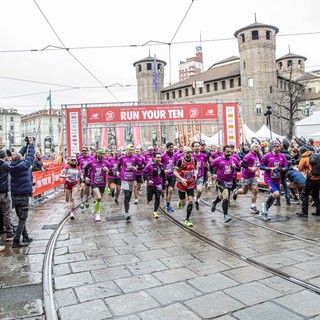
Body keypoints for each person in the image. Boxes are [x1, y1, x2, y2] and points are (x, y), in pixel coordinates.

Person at [9, 137, 35, 248]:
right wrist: (31, 144)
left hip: (15, 196)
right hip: (23, 196)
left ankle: (25, 236)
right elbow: (30, 156)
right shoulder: (24, 165)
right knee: (23, 219)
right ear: (21, 159)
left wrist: (25, 145)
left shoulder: (11, 165)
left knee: (21, 217)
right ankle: (16, 241)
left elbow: (19, 155)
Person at [210, 145, 241, 223]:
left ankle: (214, 202)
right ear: (223, 151)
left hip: (229, 181)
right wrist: (212, 174)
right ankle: (225, 216)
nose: (229, 153)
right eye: (227, 152)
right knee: (226, 196)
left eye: (230, 151)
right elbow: (211, 166)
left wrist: (235, 167)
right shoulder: (218, 159)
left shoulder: (234, 159)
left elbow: (239, 169)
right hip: (220, 180)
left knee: (221, 197)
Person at [260, 140, 289, 221]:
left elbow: (286, 167)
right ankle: (265, 206)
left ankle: (264, 209)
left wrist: (280, 169)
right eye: (277, 146)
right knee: (276, 194)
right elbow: (261, 166)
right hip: (268, 178)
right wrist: (271, 168)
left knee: (276, 195)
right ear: (273, 147)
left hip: (277, 178)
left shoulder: (282, 156)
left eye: (279, 146)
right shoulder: (267, 156)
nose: (279, 148)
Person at [232, 143, 261, 214]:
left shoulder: (257, 155)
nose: (257, 148)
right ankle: (236, 192)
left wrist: (258, 166)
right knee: (244, 191)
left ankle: (253, 206)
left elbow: (256, 163)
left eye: (258, 147)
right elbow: (242, 164)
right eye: (255, 147)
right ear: (252, 148)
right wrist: (250, 168)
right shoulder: (249, 155)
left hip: (253, 176)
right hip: (246, 176)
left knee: (255, 190)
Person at [174, 146, 198, 228]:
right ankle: (180, 201)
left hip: (190, 183)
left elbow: (196, 168)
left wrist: (195, 173)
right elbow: (175, 172)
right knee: (183, 203)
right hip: (182, 183)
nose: (190, 154)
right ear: (184, 153)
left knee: (191, 201)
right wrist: (181, 179)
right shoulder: (180, 161)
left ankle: (187, 219)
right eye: (188, 153)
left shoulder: (194, 160)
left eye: (191, 152)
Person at [84, 149, 110, 222]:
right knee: (98, 197)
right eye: (100, 154)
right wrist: (86, 176)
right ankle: (98, 214)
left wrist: (108, 170)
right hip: (94, 182)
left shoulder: (106, 162)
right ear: (97, 154)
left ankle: (95, 211)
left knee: (99, 199)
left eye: (103, 154)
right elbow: (85, 168)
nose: (101, 155)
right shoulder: (92, 162)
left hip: (102, 183)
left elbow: (111, 173)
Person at [118, 144, 140, 221]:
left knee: (129, 196)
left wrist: (136, 168)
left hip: (132, 179)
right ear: (126, 150)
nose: (131, 151)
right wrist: (118, 171)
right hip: (124, 179)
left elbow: (141, 166)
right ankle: (127, 213)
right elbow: (118, 165)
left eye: (132, 150)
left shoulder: (135, 158)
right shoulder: (122, 158)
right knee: (126, 195)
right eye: (129, 150)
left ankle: (127, 206)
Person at [296, 148, 320, 217]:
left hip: (311, 178)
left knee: (305, 194)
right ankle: (319, 211)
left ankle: (304, 212)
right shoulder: (314, 155)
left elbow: (300, 168)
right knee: (315, 195)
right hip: (319, 178)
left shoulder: (304, 158)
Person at [143, 153, 167, 218]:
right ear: (154, 158)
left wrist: (165, 181)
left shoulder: (161, 165)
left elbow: (163, 174)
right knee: (149, 199)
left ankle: (155, 211)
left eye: (160, 157)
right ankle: (148, 199)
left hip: (159, 184)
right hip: (150, 185)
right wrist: (148, 180)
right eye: (157, 157)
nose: (159, 159)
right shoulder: (149, 165)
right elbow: (144, 173)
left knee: (158, 197)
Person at [0, 149, 14, 244]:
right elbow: (16, 166)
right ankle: (9, 233)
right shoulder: (5, 165)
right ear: (4, 156)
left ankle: (2, 229)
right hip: (3, 192)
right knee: (6, 212)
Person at [192, 141, 209, 210]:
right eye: (195, 146)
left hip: (200, 176)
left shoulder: (203, 156)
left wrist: (209, 171)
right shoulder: (191, 156)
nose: (197, 147)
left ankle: (196, 199)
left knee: (199, 190)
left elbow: (206, 163)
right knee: (190, 192)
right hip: (191, 177)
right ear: (193, 148)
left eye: (198, 146)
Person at [161, 142, 176, 213]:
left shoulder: (174, 155)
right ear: (167, 148)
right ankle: (162, 192)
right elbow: (159, 165)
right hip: (164, 176)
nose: (171, 149)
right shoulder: (163, 156)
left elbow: (175, 165)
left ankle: (168, 205)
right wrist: (163, 170)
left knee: (170, 190)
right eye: (170, 147)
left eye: (172, 147)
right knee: (163, 190)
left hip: (172, 175)